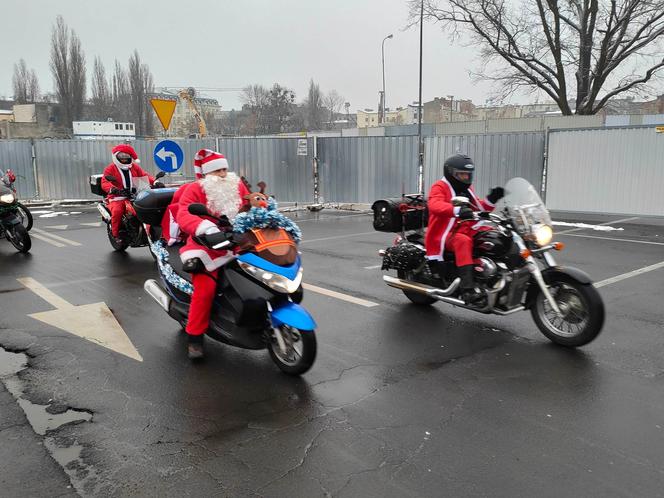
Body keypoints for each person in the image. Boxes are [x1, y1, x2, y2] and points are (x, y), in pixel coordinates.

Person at [174, 149, 250, 359]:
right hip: (205, 245)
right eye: (217, 171)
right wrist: (205, 228)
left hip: (237, 241)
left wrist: (264, 212)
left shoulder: (237, 185)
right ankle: (195, 338)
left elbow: (249, 205)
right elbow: (184, 213)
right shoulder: (195, 189)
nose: (223, 174)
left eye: (225, 169)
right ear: (207, 174)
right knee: (206, 288)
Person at [425, 154, 504, 304]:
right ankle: (467, 289)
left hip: (466, 226)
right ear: (451, 173)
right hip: (445, 232)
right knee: (463, 241)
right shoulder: (439, 187)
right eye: (462, 174)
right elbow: (435, 205)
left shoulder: (466, 188)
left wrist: (492, 199)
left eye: (468, 174)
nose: (466, 177)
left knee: (493, 236)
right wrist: (457, 211)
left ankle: (489, 274)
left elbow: (479, 207)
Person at [101, 144, 154, 244]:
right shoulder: (110, 168)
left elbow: (144, 175)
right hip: (117, 197)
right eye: (122, 156)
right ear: (116, 156)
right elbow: (104, 182)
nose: (124, 158)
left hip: (135, 195)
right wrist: (113, 189)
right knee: (117, 211)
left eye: (127, 156)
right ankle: (115, 234)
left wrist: (154, 182)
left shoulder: (134, 167)